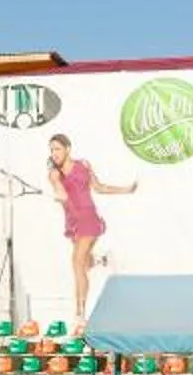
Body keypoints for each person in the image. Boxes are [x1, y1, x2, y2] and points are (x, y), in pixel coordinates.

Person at [45, 133, 137, 324]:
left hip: (89, 218)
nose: (54, 153)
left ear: (67, 149)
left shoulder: (84, 165)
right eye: (51, 150)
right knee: (84, 264)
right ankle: (101, 260)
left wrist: (125, 189)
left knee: (77, 264)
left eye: (57, 148)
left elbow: (100, 187)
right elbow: (59, 190)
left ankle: (80, 313)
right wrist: (60, 195)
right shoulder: (54, 173)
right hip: (72, 222)